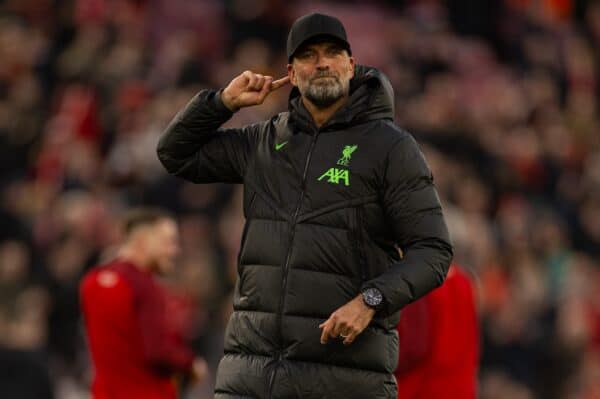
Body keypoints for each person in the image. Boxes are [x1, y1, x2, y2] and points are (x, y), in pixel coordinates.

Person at [157, 12, 453, 399]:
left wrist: (370, 300)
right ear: (292, 74)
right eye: (309, 56)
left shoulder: (390, 148)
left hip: (343, 379)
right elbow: (174, 153)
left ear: (351, 64)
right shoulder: (264, 141)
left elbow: (433, 250)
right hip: (252, 376)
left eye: (333, 53)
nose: (323, 63)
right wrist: (222, 102)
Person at [79, 208, 207, 399]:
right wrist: (191, 364)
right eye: (168, 242)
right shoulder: (144, 286)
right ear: (144, 240)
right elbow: (157, 350)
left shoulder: (91, 282)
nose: (175, 251)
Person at [395, 263, 479, 398]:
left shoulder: (421, 284)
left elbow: (412, 348)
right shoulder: (464, 281)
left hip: (424, 387)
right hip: (460, 387)